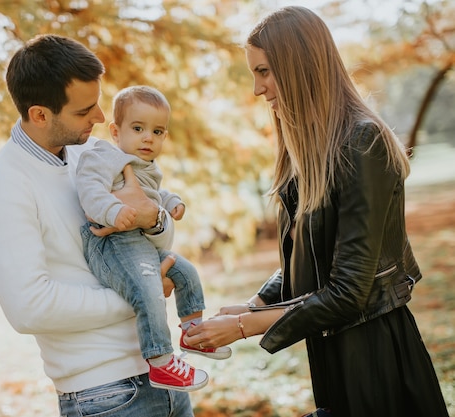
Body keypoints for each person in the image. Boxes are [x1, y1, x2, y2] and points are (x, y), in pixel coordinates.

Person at [183, 6, 450, 417]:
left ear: (299, 66)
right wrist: (253, 306)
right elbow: (306, 252)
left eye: (264, 71)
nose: (257, 89)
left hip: (375, 356)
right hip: (329, 346)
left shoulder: (363, 141)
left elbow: (348, 291)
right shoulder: (307, 150)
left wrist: (243, 327)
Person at [0, 34, 196, 416]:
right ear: (40, 114)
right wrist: (144, 295)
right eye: (84, 110)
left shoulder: (92, 156)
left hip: (166, 378)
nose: (100, 118)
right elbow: (31, 308)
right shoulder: (3, 184)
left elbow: (152, 235)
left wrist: (154, 219)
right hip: (105, 396)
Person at [76, 85, 231, 392]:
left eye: (158, 131)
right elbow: (90, 188)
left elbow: (153, 195)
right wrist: (113, 210)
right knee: (149, 288)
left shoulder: (147, 167)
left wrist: (170, 202)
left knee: (185, 271)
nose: (149, 137)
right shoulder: (104, 155)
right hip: (112, 241)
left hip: (141, 242)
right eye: (138, 128)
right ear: (116, 132)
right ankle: (161, 362)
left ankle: (193, 333)